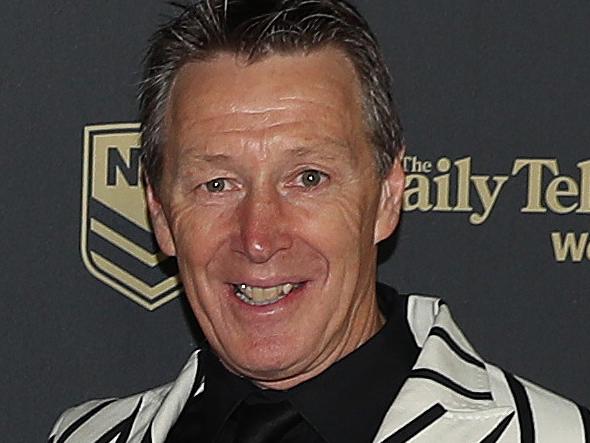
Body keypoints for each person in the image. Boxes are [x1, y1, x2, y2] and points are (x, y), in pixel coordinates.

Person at [49, 1, 588, 442]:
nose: (258, 238)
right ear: (161, 215)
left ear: (386, 196)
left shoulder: (555, 435)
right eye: (217, 185)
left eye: (308, 178)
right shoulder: (85, 435)